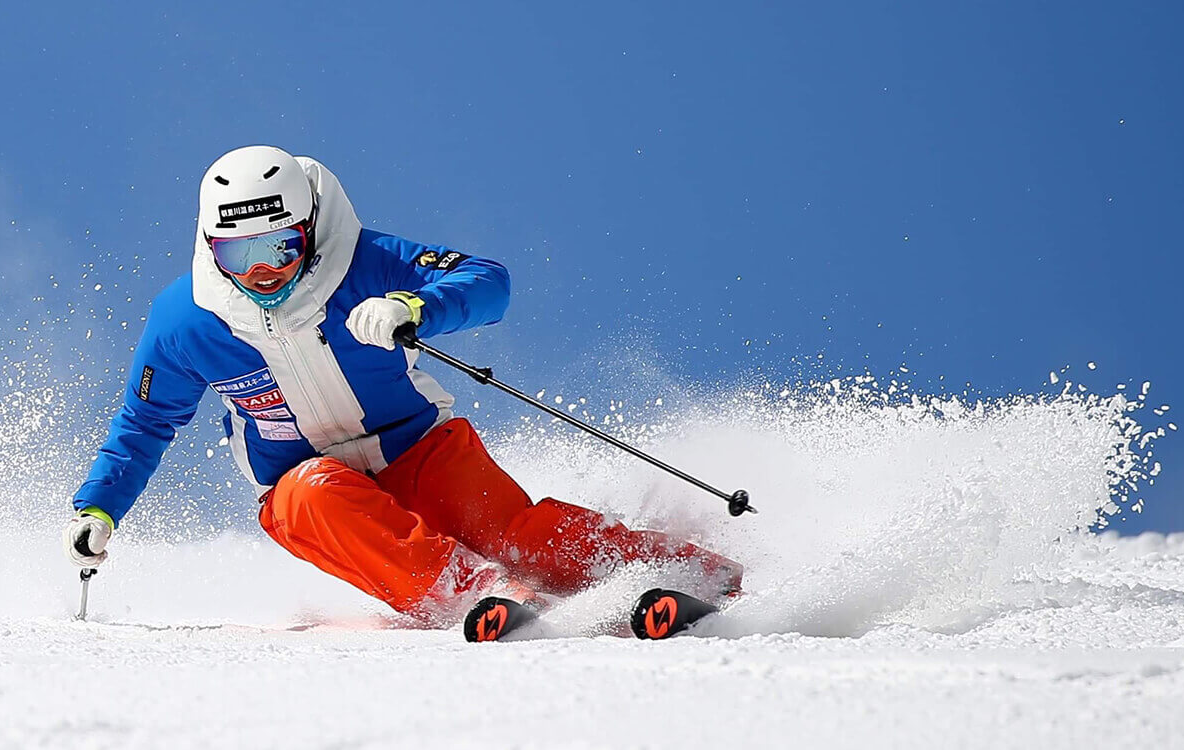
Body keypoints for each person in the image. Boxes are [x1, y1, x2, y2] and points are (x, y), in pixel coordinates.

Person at [63, 145, 740, 637]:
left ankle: (698, 573)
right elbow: (144, 424)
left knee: (520, 536)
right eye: (241, 255)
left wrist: (415, 309)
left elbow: (486, 281)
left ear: (309, 226)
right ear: (211, 247)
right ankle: (477, 593)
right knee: (311, 494)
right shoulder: (186, 321)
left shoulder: (366, 262)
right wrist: (99, 509)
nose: (265, 272)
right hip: (309, 485)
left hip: (419, 452)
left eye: (281, 246)